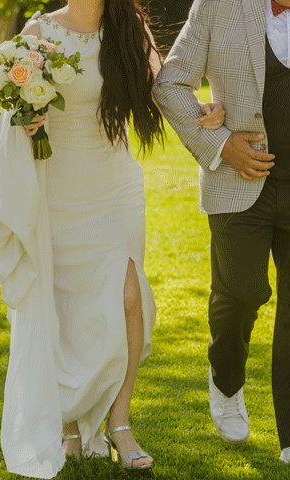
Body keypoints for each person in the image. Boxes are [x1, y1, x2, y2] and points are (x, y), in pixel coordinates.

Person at [0, 0, 224, 477]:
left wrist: (202, 108)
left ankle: (120, 422)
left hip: (112, 184)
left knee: (129, 295)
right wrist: (24, 120)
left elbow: (165, 90)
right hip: (56, 187)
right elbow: (16, 111)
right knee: (63, 306)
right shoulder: (41, 29)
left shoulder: (129, 29)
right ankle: (69, 427)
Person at [154, 0, 290, 465]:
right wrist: (221, 144)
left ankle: (289, 439)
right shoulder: (219, 5)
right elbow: (170, 84)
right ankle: (226, 378)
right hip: (239, 184)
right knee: (242, 293)